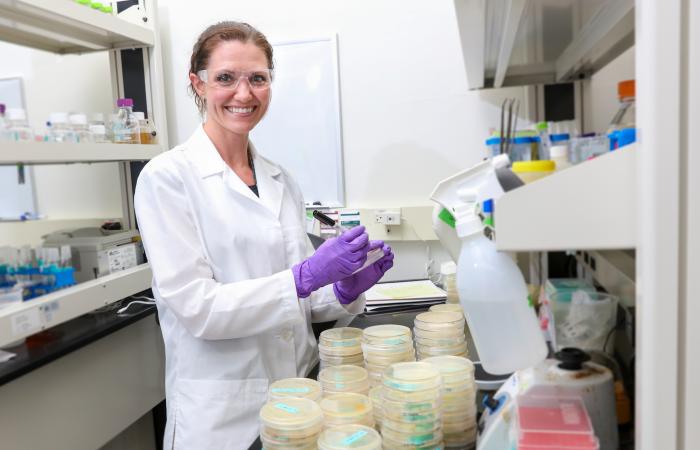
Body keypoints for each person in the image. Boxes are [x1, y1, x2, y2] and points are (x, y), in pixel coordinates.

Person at [134, 21, 394, 449]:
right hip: (224, 414)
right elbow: (197, 308)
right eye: (225, 79)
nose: (244, 93)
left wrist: (342, 290)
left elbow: (298, 302)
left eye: (258, 78)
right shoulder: (167, 178)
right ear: (197, 84)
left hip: (299, 399)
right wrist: (303, 277)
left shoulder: (281, 179)